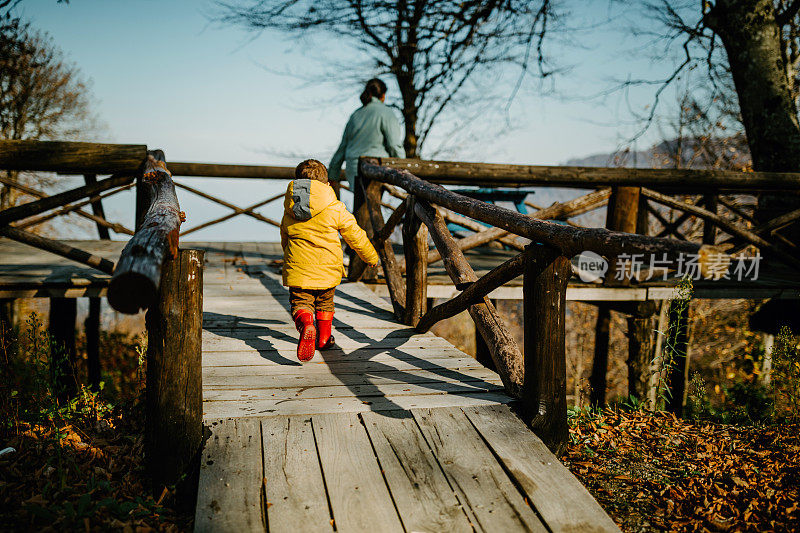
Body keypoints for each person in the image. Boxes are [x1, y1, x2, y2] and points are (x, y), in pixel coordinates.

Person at [280, 159, 380, 362]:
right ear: (327, 185)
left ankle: (306, 323)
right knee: (325, 303)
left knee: (301, 303)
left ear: (297, 184)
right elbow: (355, 235)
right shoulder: (335, 207)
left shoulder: (290, 208)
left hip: (298, 270)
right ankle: (324, 339)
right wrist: (371, 256)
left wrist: (288, 256)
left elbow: (284, 235)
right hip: (328, 270)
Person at [328, 78, 405, 189]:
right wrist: (404, 166)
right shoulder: (386, 112)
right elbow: (394, 144)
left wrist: (333, 174)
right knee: (372, 204)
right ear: (383, 95)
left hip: (353, 169)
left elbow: (342, 147)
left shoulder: (355, 115)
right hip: (377, 169)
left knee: (361, 204)